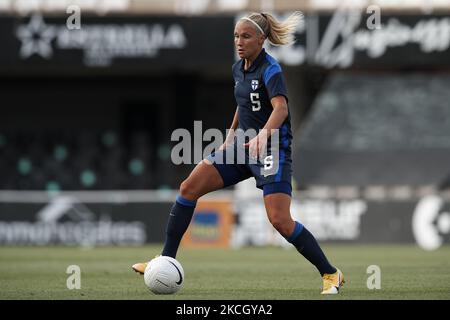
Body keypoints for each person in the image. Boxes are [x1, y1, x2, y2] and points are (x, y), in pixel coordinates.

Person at [132, 12, 344, 294]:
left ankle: (331, 274)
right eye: (236, 36)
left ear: (262, 39)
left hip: (272, 150)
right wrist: (230, 136)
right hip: (242, 147)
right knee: (188, 187)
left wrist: (263, 136)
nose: (239, 41)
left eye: (245, 36)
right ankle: (166, 259)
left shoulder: (271, 69)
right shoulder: (238, 69)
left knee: (280, 221)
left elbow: (280, 108)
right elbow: (242, 104)